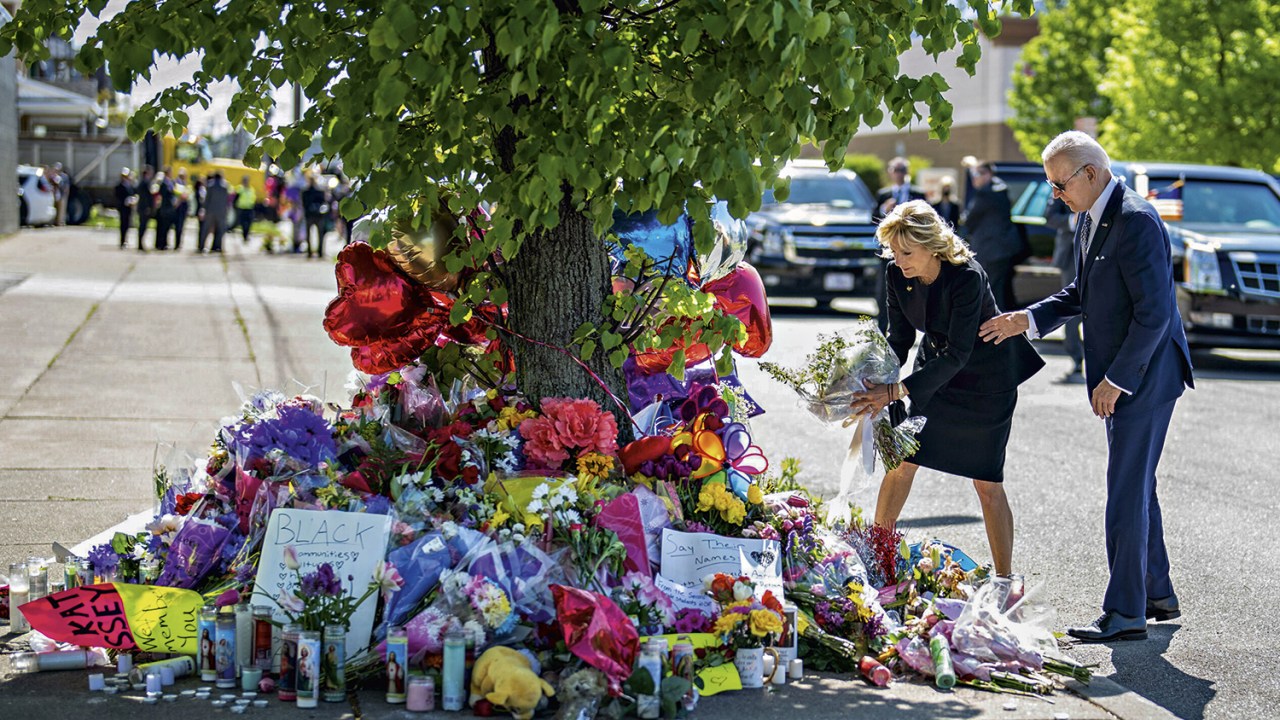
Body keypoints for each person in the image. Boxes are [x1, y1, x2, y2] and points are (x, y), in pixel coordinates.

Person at [979, 131, 1194, 643]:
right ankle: (1156, 593)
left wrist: (1116, 381)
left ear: (1091, 174)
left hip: (1144, 374)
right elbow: (1082, 292)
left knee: (1124, 490)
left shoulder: (1137, 219)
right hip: (1127, 371)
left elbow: (1156, 314)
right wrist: (1026, 319)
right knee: (1136, 483)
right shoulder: (1091, 215)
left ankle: (1124, 614)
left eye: (1058, 184)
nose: (1055, 195)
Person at [851, 200, 1044, 577]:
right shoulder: (896, 274)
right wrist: (871, 376)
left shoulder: (966, 277)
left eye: (907, 251)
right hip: (935, 370)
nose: (899, 259)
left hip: (986, 380)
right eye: (893, 250)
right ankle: (877, 560)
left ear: (932, 245)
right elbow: (900, 336)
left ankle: (1004, 579)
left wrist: (894, 392)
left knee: (987, 482)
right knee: (903, 460)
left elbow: (959, 352)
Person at [874, 157, 926, 333]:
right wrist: (884, 209)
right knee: (885, 290)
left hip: (911, 249)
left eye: (902, 170)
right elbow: (873, 219)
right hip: (889, 249)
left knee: (912, 288)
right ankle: (882, 328)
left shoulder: (918, 194)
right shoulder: (884, 194)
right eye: (896, 170)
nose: (899, 174)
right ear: (890, 172)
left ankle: (909, 329)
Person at [962, 161, 1023, 311]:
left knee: (991, 295)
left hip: (990, 252)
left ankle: (997, 331)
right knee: (1001, 293)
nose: (974, 178)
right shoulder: (1000, 189)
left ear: (988, 174)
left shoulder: (986, 194)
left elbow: (968, 221)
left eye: (977, 174)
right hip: (1001, 252)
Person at [1044, 196, 1084, 380]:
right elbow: (1050, 216)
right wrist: (1071, 220)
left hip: (1098, 254)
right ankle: (1076, 358)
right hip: (1070, 257)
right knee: (1070, 308)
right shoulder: (1061, 187)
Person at [200, 172, 231, 254]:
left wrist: (204, 208)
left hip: (210, 210)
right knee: (220, 230)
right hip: (221, 211)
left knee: (206, 229)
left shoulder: (210, 185)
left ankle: (201, 246)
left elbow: (207, 199)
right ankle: (217, 246)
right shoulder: (225, 185)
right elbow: (227, 200)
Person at [301, 176, 331, 259]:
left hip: (312, 215)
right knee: (318, 234)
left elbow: (304, 204)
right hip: (316, 215)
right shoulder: (318, 192)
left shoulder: (306, 192)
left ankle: (312, 252)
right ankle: (318, 252)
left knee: (312, 234)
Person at [153, 169, 176, 251]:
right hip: (165, 208)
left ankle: (164, 243)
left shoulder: (170, 183)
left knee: (167, 228)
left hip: (169, 208)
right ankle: (161, 244)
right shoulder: (163, 184)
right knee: (163, 228)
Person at [114, 169, 137, 250]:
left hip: (129, 208)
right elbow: (118, 197)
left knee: (128, 225)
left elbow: (134, 193)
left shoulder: (130, 186)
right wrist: (125, 201)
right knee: (123, 225)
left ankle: (126, 240)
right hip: (123, 208)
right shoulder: (119, 186)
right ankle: (122, 241)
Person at [136, 166, 156, 251]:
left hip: (142, 207)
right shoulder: (145, 183)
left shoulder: (143, 183)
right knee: (142, 226)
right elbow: (146, 197)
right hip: (144, 208)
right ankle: (140, 244)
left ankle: (140, 243)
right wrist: (148, 207)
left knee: (143, 226)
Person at [235, 176, 257, 245]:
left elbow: (254, 198)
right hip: (242, 209)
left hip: (250, 208)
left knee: (249, 223)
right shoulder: (240, 189)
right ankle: (244, 236)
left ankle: (246, 235)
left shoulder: (251, 189)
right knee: (243, 224)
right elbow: (236, 198)